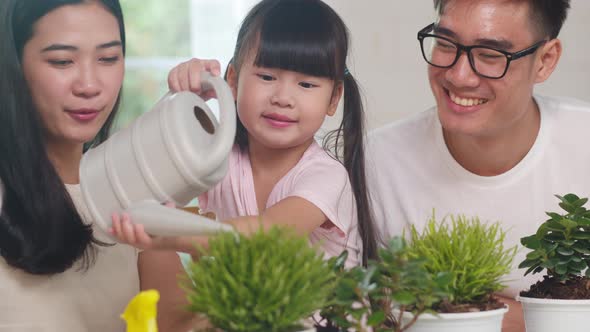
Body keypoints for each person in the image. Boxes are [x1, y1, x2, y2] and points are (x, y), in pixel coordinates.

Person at [365, 0, 588, 330]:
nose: (459, 75)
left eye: (489, 54)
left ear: (545, 60)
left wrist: (451, 305)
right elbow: (371, 301)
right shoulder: (373, 161)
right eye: (445, 44)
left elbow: (406, 307)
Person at [111, 0, 378, 268]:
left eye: (306, 84)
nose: (283, 98)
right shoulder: (219, 158)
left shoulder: (326, 177)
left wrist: (174, 235)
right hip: (246, 310)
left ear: (333, 99)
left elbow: (270, 235)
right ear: (233, 80)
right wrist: (178, 102)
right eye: (267, 77)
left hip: (326, 312)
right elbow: (139, 179)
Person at [0, 1, 198, 331]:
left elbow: (183, 325)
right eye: (62, 61)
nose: (90, 85)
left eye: (108, 58)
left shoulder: (129, 195)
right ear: (13, 65)